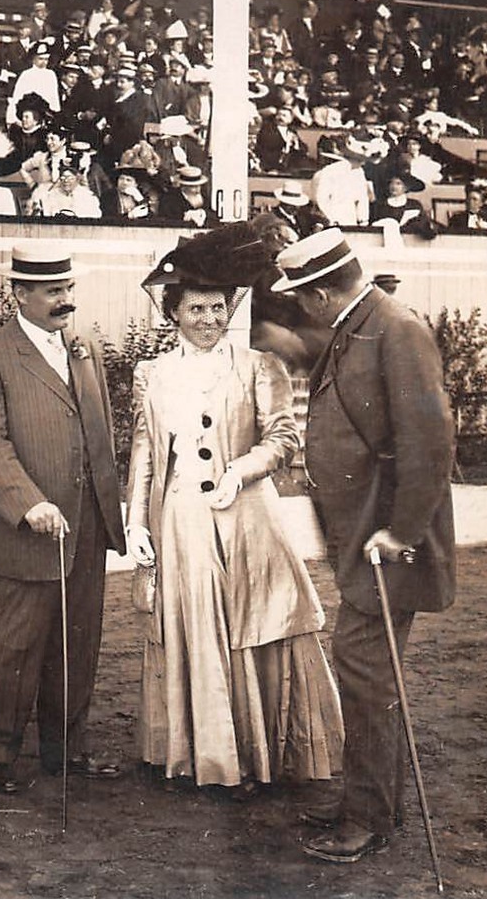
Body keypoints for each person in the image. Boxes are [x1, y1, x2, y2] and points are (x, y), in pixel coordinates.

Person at [126, 225, 344, 792]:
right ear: (173, 312)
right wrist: (135, 523)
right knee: (196, 625)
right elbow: (146, 456)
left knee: (257, 624)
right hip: (181, 521)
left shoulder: (256, 366)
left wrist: (238, 470)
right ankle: (203, 753)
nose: (208, 319)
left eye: (218, 307)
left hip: (246, 515)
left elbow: (283, 438)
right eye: (195, 308)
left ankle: (258, 753)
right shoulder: (151, 375)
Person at [270, 228, 456, 864]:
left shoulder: (395, 327)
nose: (299, 309)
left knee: (364, 668)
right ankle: (373, 803)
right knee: (366, 670)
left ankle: (368, 819)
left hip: (390, 540)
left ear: (322, 294)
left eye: (300, 298)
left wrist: (401, 532)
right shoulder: (360, 323)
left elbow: (429, 442)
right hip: (366, 537)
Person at [0, 244, 126, 794]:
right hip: (32, 524)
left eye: (68, 290)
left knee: (77, 637)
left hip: (87, 523)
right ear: (21, 295)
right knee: (18, 640)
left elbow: (100, 432)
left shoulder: (83, 349)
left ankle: (66, 749)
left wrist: (114, 508)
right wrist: (27, 502)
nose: (66, 301)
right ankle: (0, 754)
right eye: (53, 292)